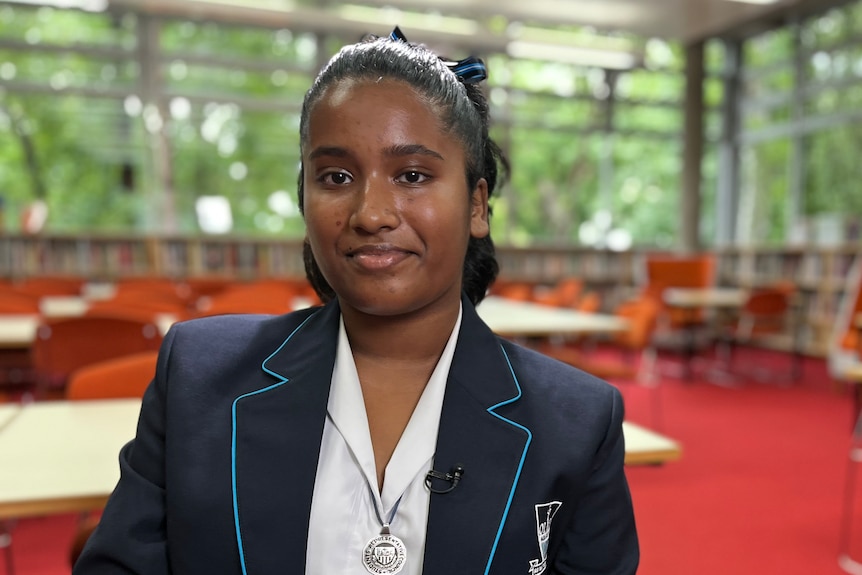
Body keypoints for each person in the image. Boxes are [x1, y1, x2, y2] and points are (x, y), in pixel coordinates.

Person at [73, 28, 638, 575]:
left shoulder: (577, 425)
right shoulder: (197, 377)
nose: (371, 213)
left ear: (477, 205)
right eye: (336, 175)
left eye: (412, 175)